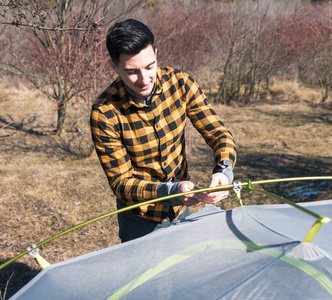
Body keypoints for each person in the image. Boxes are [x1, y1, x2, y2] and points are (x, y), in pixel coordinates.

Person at [90, 19, 237, 242]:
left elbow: (219, 134)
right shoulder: (105, 113)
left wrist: (224, 171)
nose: (144, 79)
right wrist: (171, 191)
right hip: (140, 219)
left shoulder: (181, 83)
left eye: (150, 66)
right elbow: (121, 183)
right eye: (132, 71)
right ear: (114, 66)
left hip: (182, 212)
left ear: (156, 54)